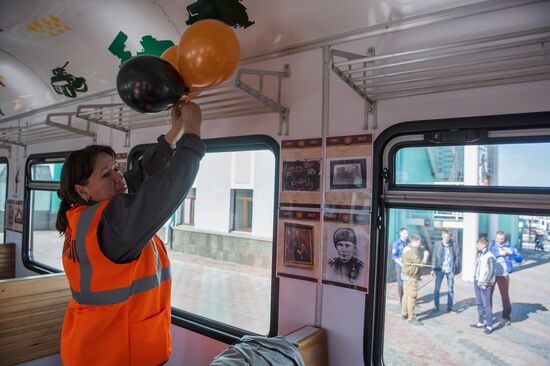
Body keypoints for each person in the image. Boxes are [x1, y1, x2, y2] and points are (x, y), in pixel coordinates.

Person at [56, 100, 205, 365]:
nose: (117, 176)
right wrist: (192, 132)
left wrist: (173, 133)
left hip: (98, 347)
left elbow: (138, 176)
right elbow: (163, 192)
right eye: (106, 174)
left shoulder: (84, 215)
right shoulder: (112, 224)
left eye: (116, 167)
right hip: (113, 353)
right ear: (82, 190)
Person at [489, 230, 523, 326]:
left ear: (504, 238)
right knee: (488, 295)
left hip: (503, 275)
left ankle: (506, 317)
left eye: (502, 239)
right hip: (491, 274)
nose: (500, 241)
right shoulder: (491, 245)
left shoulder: (509, 245)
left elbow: (520, 259)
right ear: (495, 238)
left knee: (505, 297)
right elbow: (487, 253)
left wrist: (511, 252)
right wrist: (499, 253)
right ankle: (488, 315)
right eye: (498, 239)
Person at [400, 235, 429, 325]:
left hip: (405, 274)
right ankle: (411, 318)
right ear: (415, 241)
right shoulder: (412, 251)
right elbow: (420, 264)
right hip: (411, 277)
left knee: (406, 295)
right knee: (412, 296)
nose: (420, 244)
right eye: (419, 242)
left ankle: (404, 313)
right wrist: (425, 256)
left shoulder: (407, 248)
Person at [430, 229, 461, 312]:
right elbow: (434, 257)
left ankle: (449, 307)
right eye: (445, 237)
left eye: (448, 237)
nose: (446, 238)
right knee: (437, 289)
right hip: (440, 269)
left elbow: (457, 255)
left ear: (450, 237)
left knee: (450, 289)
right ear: (442, 236)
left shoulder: (453, 244)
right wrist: (432, 269)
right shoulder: (437, 244)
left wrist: (455, 266)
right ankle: (436, 307)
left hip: (450, 269)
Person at [471, 237, 496, 334]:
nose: (477, 246)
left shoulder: (490, 256)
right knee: (479, 302)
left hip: (484, 283)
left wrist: (486, 282)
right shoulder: (480, 254)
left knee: (486, 304)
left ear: (483, 245)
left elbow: (491, 271)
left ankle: (489, 325)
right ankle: (481, 321)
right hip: (477, 281)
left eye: (478, 244)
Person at [391, 228, 410, 303]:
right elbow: (394, 257)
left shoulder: (409, 242)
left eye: (407, 233)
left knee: (407, 282)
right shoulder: (396, 243)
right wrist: (402, 265)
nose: (407, 235)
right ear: (401, 233)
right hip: (400, 265)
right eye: (405, 233)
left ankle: (407, 298)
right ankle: (401, 299)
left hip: (408, 265)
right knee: (400, 283)